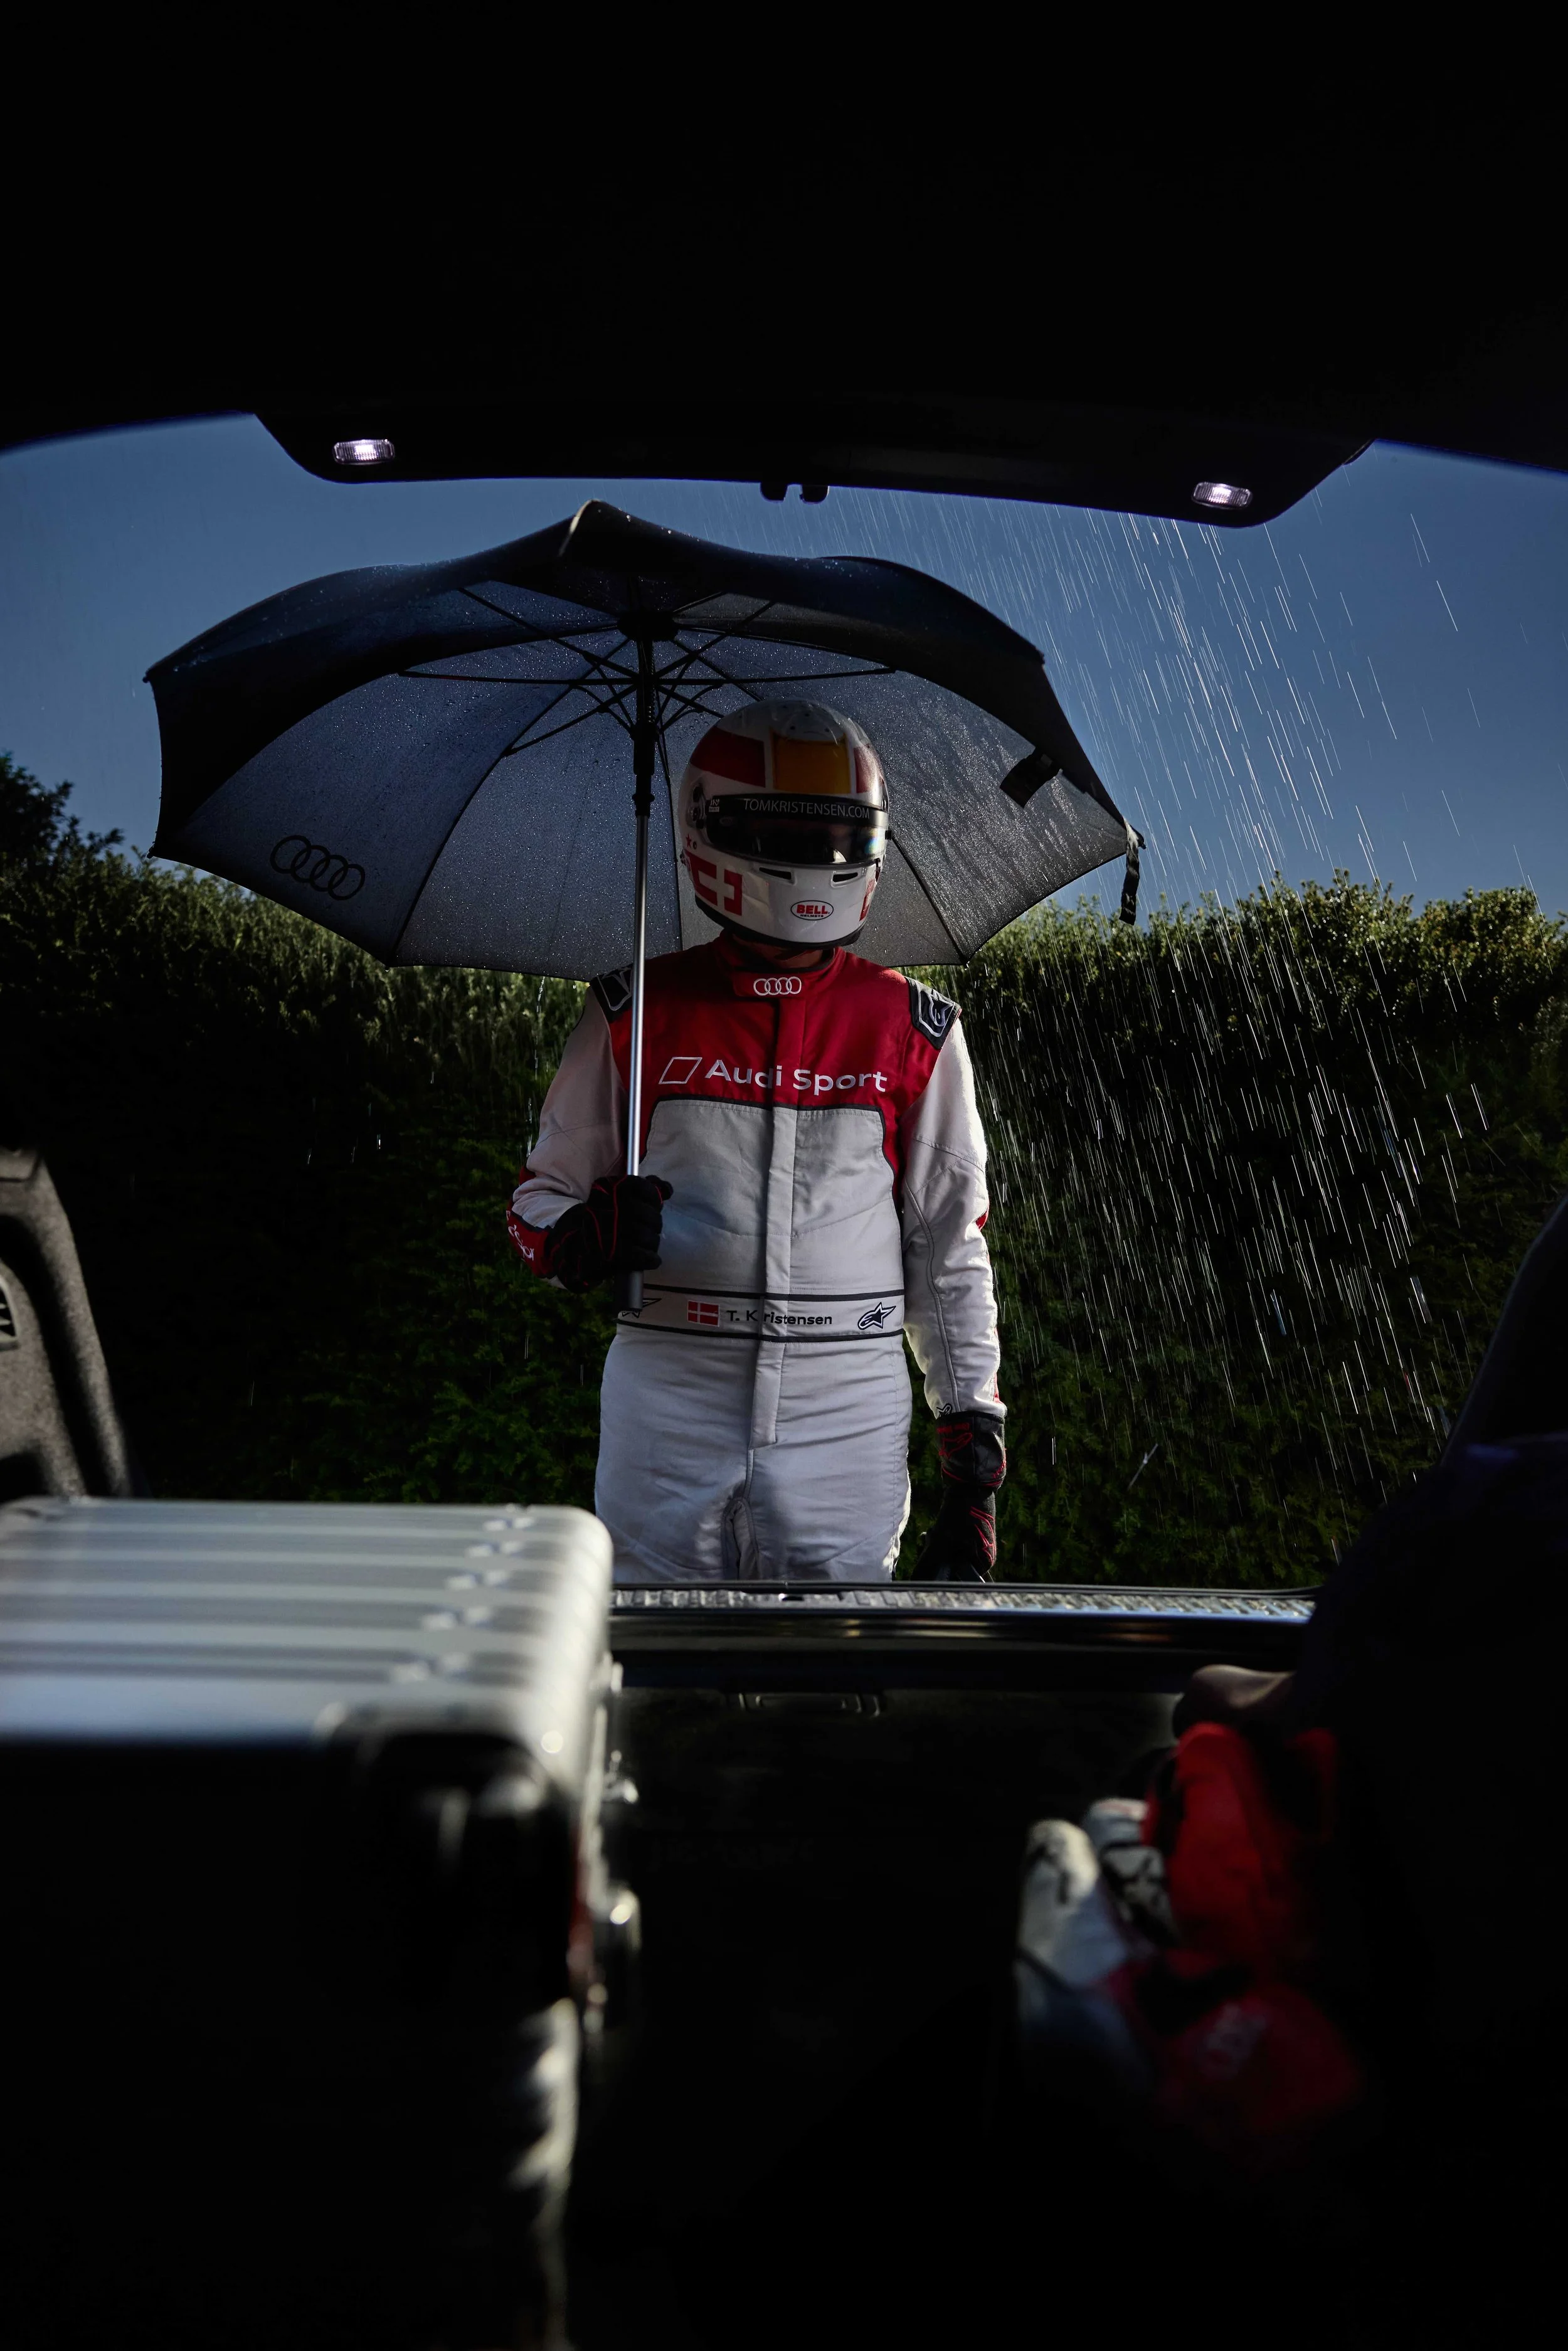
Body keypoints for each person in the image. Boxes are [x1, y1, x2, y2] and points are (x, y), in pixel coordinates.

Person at [506, 698, 1005, 1584]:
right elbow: (537, 1202)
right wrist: (580, 1238)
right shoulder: (630, 1010)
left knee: (836, 1651)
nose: (820, 859)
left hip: (847, 1406)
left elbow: (948, 1245)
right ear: (708, 833)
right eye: (785, 832)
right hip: (670, 1391)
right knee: (657, 1643)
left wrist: (974, 1458)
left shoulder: (917, 1027)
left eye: (841, 836)